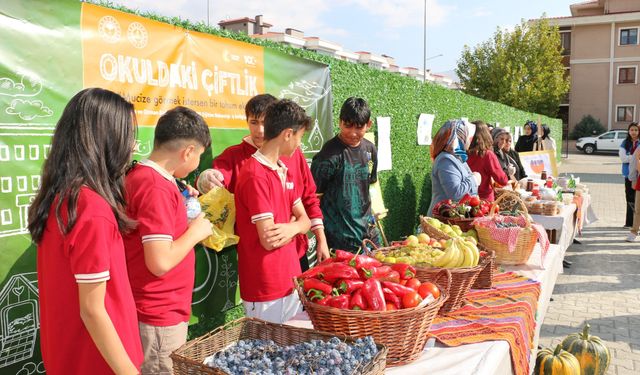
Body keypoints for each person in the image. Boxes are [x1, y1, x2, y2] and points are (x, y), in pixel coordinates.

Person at [27, 88, 143, 374]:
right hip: (98, 362)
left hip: (72, 357)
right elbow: (92, 309)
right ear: (107, 140)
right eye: (128, 136)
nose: (133, 146)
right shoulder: (91, 209)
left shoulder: (62, 199)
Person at [122, 106, 213, 374]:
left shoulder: (148, 178)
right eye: (199, 155)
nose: (198, 162)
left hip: (155, 310)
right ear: (188, 152)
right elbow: (159, 261)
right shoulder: (155, 187)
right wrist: (196, 232)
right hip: (158, 314)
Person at [197, 94, 329, 270]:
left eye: (264, 122)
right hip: (263, 262)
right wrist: (206, 179)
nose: (259, 130)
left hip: (296, 252)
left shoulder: (292, 154)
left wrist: (321, 239)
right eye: (253, 122)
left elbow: (309, 197)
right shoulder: (236, 157)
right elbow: (215, 178)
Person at [234, 99, 311, 323]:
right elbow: (268, 239)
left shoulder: (282, 168)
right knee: (270, 353)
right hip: (265, 286)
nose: (299, 144)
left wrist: (291, 227)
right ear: (288, 134)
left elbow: (305, 219)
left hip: (289, 280)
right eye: (300, 137)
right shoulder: (255, 174)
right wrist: (295, 226)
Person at [311, 97, 379, 253]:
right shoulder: (328, 155)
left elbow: (370, 186)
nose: (353, 133)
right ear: (340, 122)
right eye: (348, 126)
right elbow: (313, 198)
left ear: (368, 125)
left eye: (359, 127)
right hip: (338, 240)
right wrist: (321, 239)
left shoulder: (370, 150)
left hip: (369, 235)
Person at [428, 119, 480, 216]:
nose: (470, 141)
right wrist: (474, 179)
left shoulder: (458, 157)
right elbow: (456, 193)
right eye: (468, 137)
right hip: (443, 220)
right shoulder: (446, 160)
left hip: (454, 219)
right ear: (459, 137)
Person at [467, 121, 509, 201]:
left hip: (465, 198)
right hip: (484, 200)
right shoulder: (487, 155)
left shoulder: (462, 153)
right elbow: (502, 180)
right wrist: (507, 173)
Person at [620, 122, 639, 228]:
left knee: (638, 200)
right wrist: (635, 158)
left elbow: (628, 158)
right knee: (630, 199)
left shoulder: (639, 143)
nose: (634, 132)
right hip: (628, 175)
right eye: (632, 130)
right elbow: (623, 158)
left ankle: (636, 223)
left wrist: (630, 158)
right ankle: (629, 223)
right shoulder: (625, 143)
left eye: (636, 130)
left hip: (638, 175)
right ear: (628, 131)